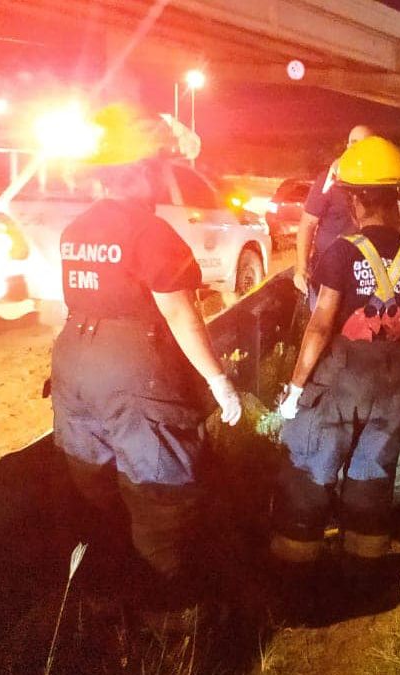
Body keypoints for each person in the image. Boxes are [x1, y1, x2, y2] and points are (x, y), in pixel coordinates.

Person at [51, 104, 242, 614]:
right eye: (157, 166)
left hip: (73, 366)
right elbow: (181, 317)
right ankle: (169, 620)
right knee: (160, 494)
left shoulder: (76, 229)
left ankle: (104, 604)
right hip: (132, 373)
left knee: (95, 489)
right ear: (137, 172)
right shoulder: (151, 233)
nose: (162, 176)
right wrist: (218, 382)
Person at [274, 136, 400, 578]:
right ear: (397, 198)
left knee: (312, 465)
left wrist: (297, 387)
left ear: (357, 199)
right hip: (395, 373)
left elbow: (321, 325)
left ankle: (295, 576)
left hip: (341, 378)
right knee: (372, 473)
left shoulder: (340, 252)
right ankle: (361, 574)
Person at [294, 124, 375, 310]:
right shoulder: (329, 179)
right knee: (322, 325)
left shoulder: (376, 182)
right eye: (351, 142)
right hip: (326, 271)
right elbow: (307, 224)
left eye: (360, 143)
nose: (353, 147)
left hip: (362, 273)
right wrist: (302, 268)